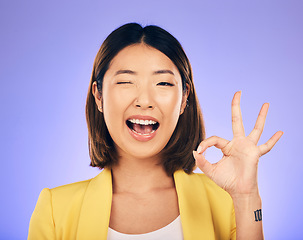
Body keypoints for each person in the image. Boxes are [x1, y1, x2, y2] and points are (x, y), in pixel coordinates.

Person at [28, 23, 283, 240]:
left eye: (162, 83)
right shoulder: (55, 209)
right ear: (98, 96)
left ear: (184, 99)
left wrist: (246, 196)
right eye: (126, 81)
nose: (145, 100)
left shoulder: (225, 199)